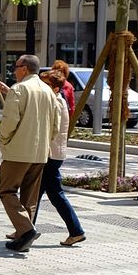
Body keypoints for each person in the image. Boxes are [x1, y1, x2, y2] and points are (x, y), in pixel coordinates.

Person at [0, 53, 63, 251]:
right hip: (40, 152)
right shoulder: (48, 91)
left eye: (16, 66)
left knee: (7, 191)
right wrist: (45, 142)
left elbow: (9, 122)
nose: (14, 70)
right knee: (29, 197)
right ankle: (23, 236)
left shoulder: (19, 89)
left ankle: (25, 230)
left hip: (17, 151)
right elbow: (55, 125)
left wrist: (5, 140)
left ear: (24, 68)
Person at [36, 70, 87, 247]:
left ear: (56, 88)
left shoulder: (56, 102)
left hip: (50, 154)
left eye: (46, 84)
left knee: (39, 193)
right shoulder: (56, 100)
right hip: (54, 153)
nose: (41, 87)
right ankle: (75, 231)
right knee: (50, 193)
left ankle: (25, 230)